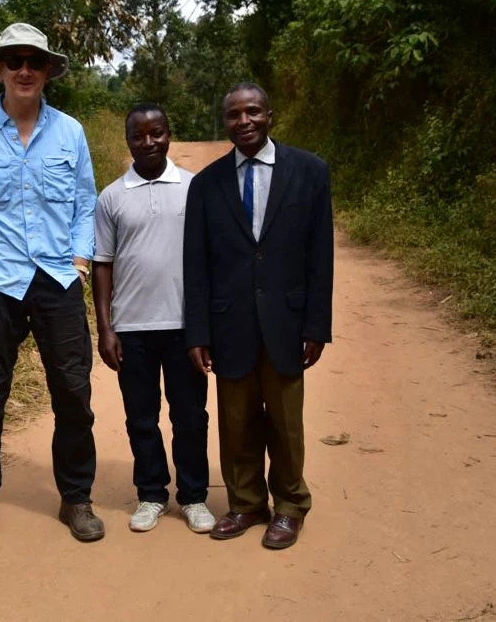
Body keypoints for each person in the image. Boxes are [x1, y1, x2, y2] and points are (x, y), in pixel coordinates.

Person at [0, 23, 102, 545]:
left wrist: (78, 260)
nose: (25, 71)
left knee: (73, 394)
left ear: (49, 70)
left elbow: (85, 203)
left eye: (35, 61)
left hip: (57, 279)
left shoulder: (70, 132)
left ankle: (77, 498)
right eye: (15, 61)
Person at [183, 81, 333, 550]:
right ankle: (246, 503)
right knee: (237, 419)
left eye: (252, 112)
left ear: (269, 115)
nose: (243, 121)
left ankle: (290, 506)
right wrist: (198, 331)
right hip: (230, 325)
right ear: (224, 121)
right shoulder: (207, 184)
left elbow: (319, 255)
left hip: (287, 323)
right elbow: (196, 264)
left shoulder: (309, 172)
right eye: (233, 115)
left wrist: (316, 325)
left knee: (286, 421)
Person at [92, 103, 215, 534]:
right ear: (127, 140)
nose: (149, 143)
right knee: (141, 417)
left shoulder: (194, 187)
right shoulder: (111, 197)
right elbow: (102, 263)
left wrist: (205, 325)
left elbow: (208, 260)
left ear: (169, 134)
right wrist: (105, 327)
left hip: (184, 327)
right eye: (139, 136)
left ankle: (195, 496)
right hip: (132, 329)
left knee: (190, 416)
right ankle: (151, 494)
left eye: (157, 133)